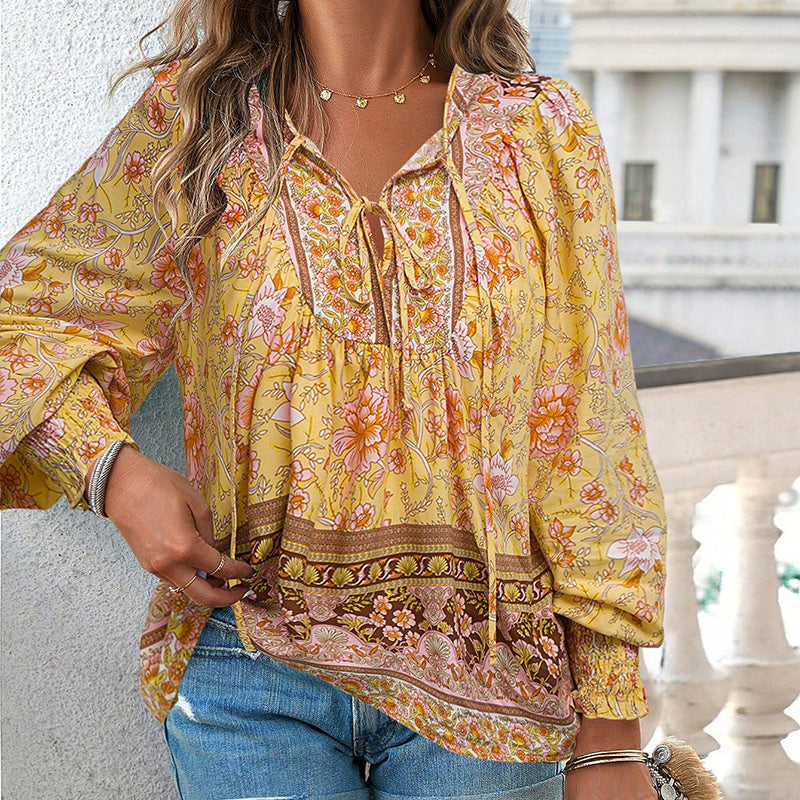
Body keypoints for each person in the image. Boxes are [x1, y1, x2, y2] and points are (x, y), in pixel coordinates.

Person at [0, 1, 667, 798]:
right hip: (250, 671)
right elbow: (19, 325)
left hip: (494, 683)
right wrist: (112, 474)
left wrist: (611, 739)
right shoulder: (197, 121)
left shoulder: (539, 131)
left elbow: (592, 435)